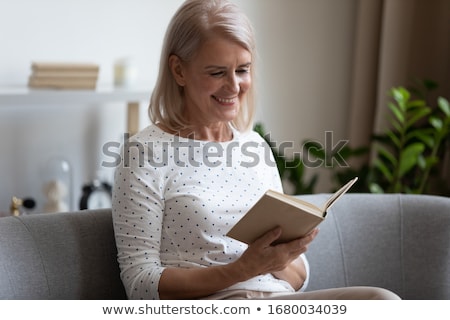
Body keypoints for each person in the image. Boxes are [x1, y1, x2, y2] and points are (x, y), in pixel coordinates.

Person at [111, 0, 400, 300]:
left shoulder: (254, 146)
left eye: (242, 70)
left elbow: (299, 278)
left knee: (382, 301)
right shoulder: (143, 154)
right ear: (179, 70)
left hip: (277, 300)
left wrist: (280, 258)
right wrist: (242, 270)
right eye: (217, 72)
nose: (234, 86)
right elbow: (140, 283)